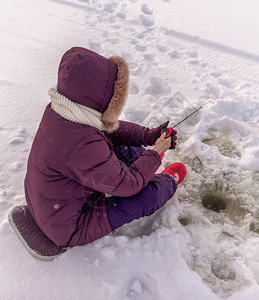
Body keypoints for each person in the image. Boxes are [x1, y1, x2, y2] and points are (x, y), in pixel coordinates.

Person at [24, 47, 187, 248]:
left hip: (48, 205)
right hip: (70, 227)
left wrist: (148, 135)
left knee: (128, 152)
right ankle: (168, 181)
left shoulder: (64, 111)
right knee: (146, 195)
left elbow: (106, 128)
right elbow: (128, 185)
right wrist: (156, 153)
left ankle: (145, 168)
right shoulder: (82, 145)